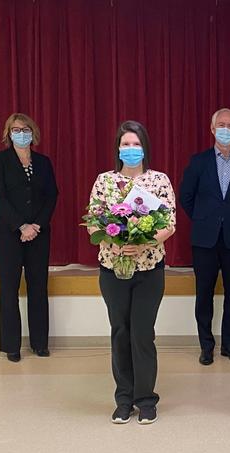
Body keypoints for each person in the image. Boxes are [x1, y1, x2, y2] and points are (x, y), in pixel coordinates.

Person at [87, 120, 176, 425]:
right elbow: (95, 221)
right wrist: (115, 238)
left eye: (136, 144)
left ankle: (146, 399)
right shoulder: (105, 181)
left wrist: (144, 242)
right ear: (118, 149)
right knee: (120, 332)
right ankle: (123, 398)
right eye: (125, 144)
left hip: (149, 268)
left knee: (142, 333)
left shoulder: (159, 180)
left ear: (144, 148)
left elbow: (169, 223)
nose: (131, 149)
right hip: (113, 269)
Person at [180, 108, 230, 366]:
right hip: (204, 239)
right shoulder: (198, 161)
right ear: (213, 129)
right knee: (204, 294)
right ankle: (206, 346)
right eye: (221, 125)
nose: (226, 129)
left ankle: (229, 345)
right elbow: (186, 198)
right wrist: (204, 218)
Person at [0, 113, 58, 362]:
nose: (21, 133)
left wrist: (37, 225)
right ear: (8, 133)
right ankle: (11, 346)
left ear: (33, 132)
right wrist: (21, 226)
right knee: (9, 288)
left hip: (39, 233)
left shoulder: (43, 161)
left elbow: (52, 195)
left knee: (38, 286)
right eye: (16, 129)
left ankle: (40, 343)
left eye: (25, 129)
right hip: (8, 233)